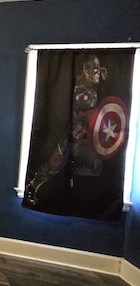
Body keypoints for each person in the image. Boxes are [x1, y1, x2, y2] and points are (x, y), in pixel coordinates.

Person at [25, 54, 107, 206]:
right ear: (87, 73)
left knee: (93, 168)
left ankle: (70, 176)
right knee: (52, 166)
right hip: (73, 137)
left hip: (83, 139)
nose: (98, 75)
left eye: (99, 71)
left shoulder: (90, 88)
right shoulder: (84, 92)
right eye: (95, 71)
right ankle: (32, 188)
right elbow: (87, 115)